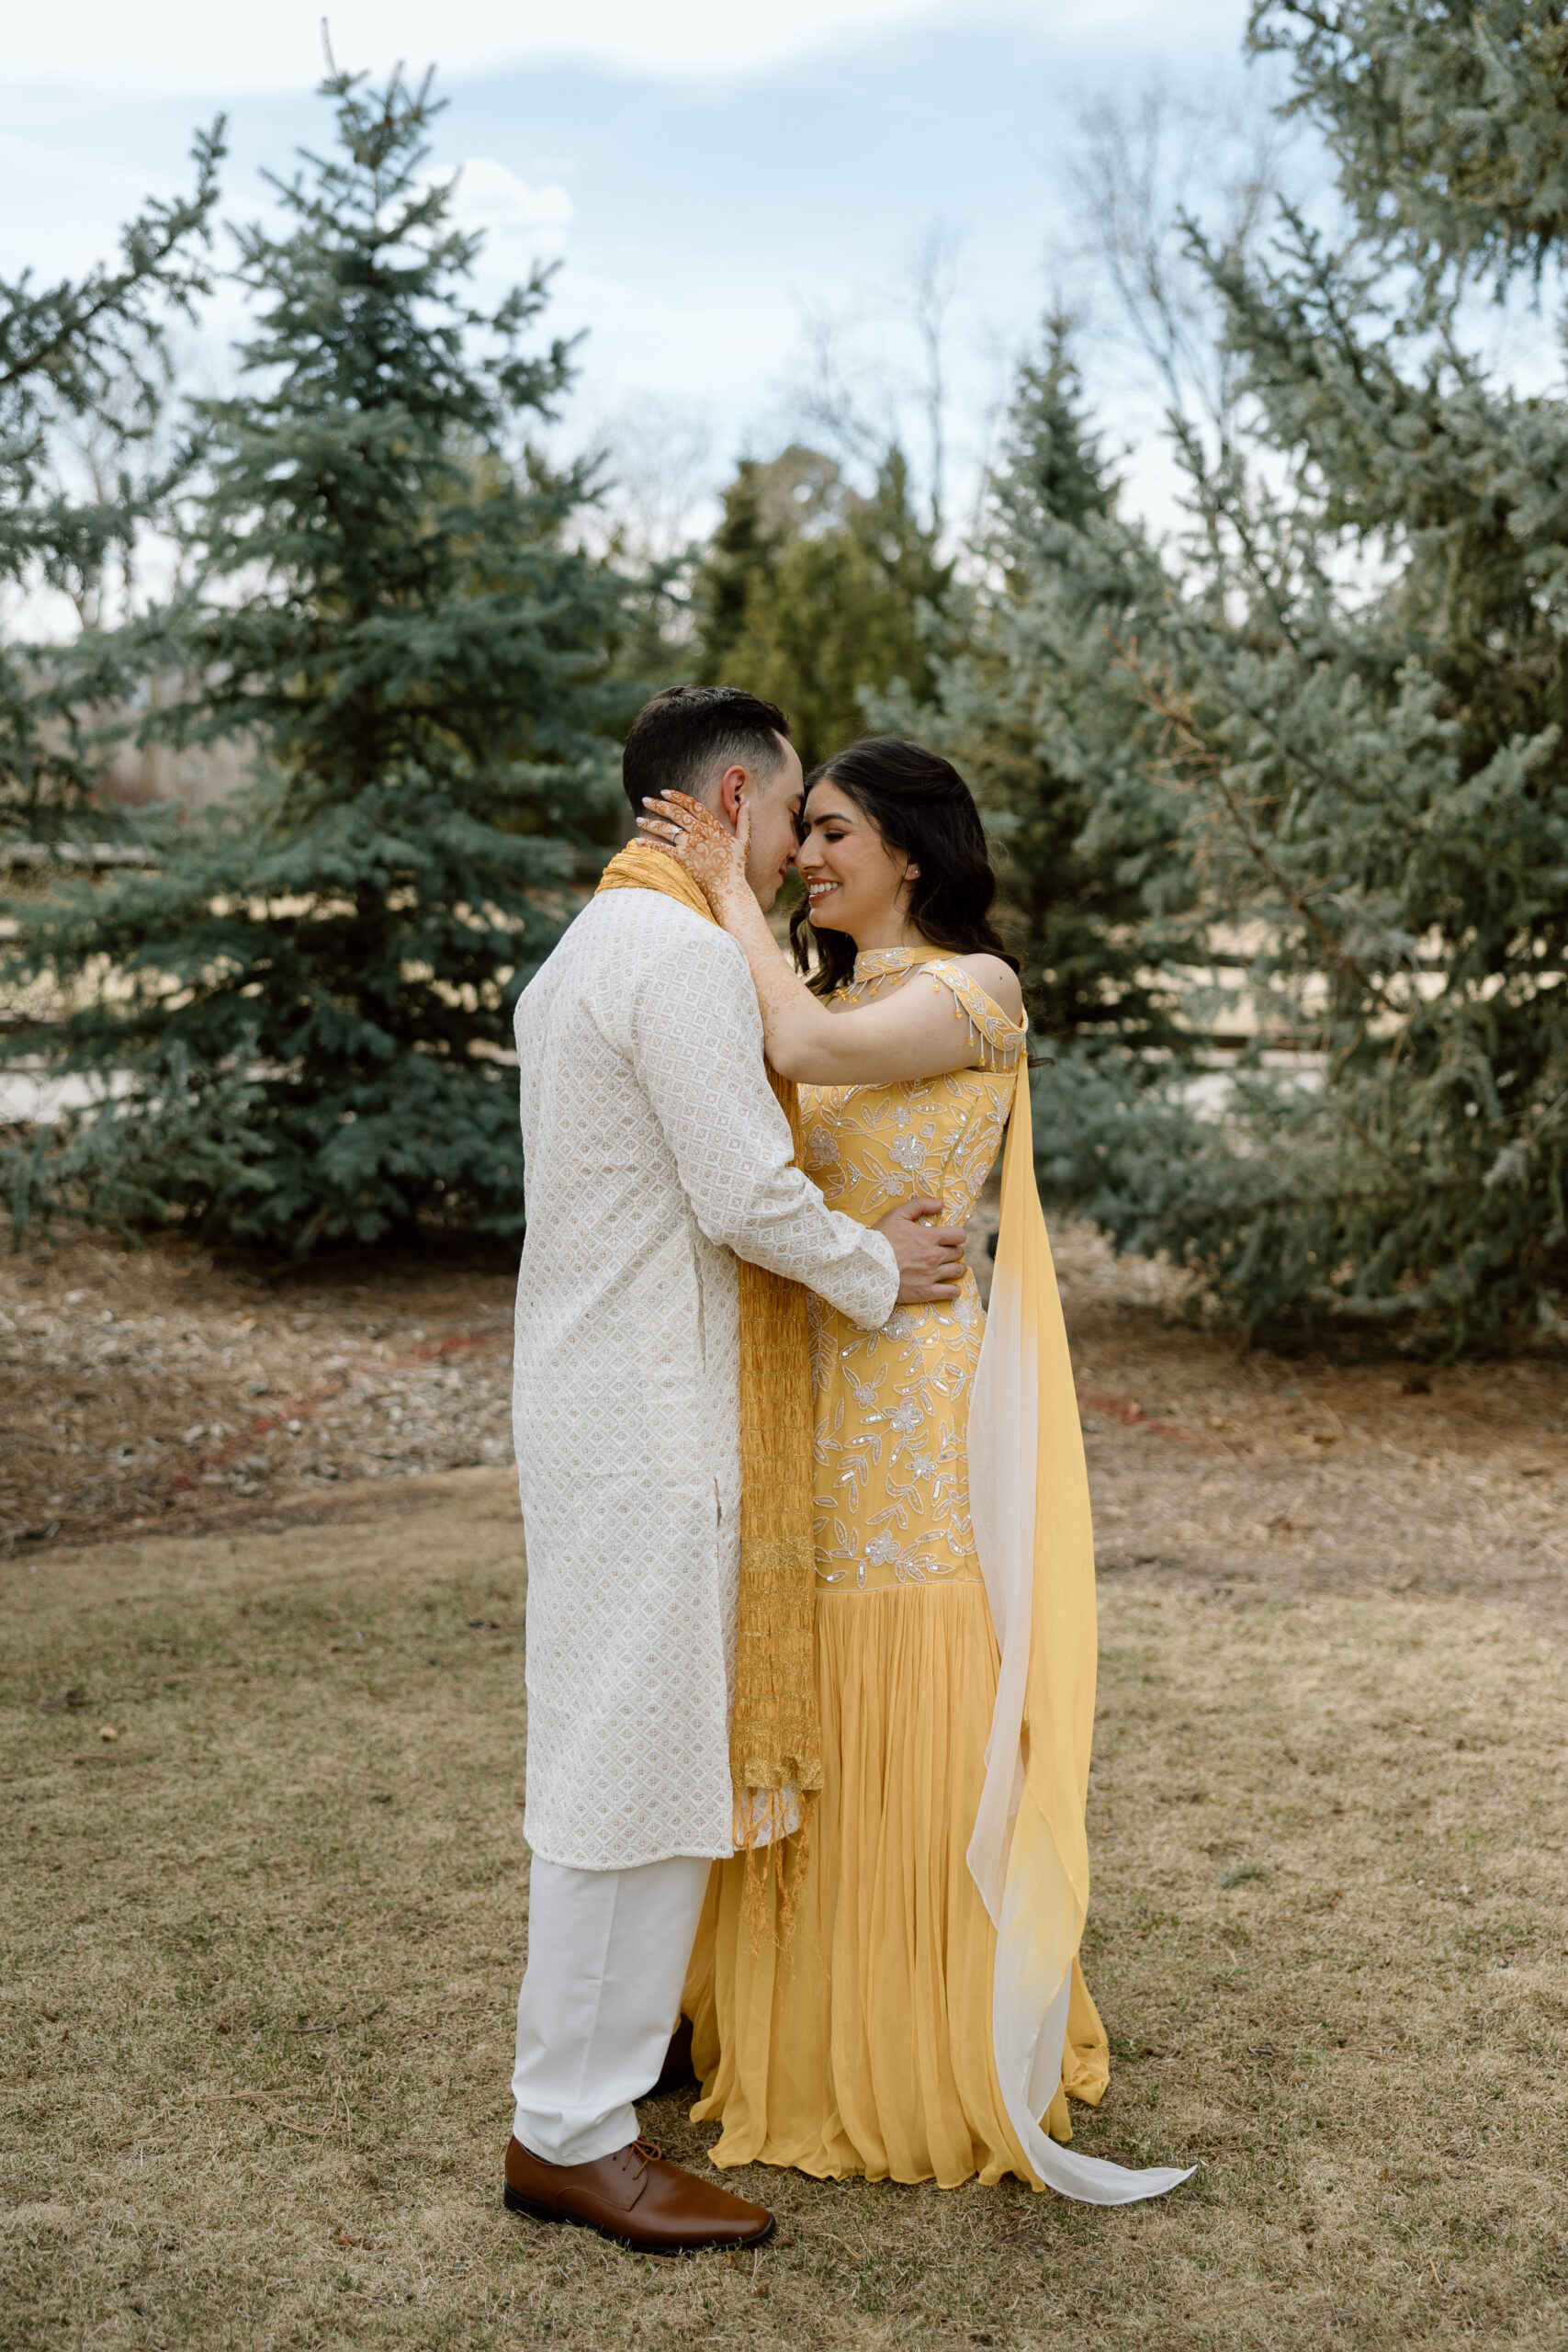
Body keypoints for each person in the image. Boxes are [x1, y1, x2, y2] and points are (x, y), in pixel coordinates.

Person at [638, 736, 1190, 2205]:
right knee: (802, 1668)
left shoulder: (976, 991)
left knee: (920, 1668)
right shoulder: (809, 989)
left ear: (912, 853)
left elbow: (809, 1066)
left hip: (920, 1404)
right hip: (814, 1380)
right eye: (799, 835)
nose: (807, 857)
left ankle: (932, 2033)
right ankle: (792, 2023)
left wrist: (720, 890)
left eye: (832, 833)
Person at [503, 689, 972, 2255]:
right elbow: (744, 1194)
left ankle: (616, 2074)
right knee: (618, 1771)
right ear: (728, 798)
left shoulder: (584, 949)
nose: (788, 853)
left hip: (594, 1400)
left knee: (635, 1749)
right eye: (787, 817)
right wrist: (876, 1263)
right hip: (654, 1412)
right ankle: (568, 2132)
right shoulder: (686, 958)